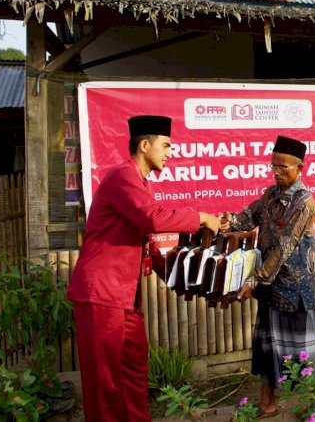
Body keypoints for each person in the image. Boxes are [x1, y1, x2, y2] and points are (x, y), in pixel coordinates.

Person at [67, 115, 221, 421]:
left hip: (126, 298)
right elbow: (153, 219)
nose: (170, 153)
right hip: (101, 295)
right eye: (166, 146)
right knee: (104, 384)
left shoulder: (140, 183)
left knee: (135, 372)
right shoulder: (123, 177)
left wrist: (187, 280)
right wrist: (201, 216)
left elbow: (148, 246)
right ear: (144, 145)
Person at [220, 135, 315, 419]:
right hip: (268, 285)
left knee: (301, 353)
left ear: (300, 168)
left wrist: (254, 280)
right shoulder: (270, 194)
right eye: (273, 166)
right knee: (267, 348)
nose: (276, 172)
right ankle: (268, 403)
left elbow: (284, 247)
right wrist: (225, 222)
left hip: (293, 287)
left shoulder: (304, 202)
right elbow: (247, 217)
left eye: (283, 167)